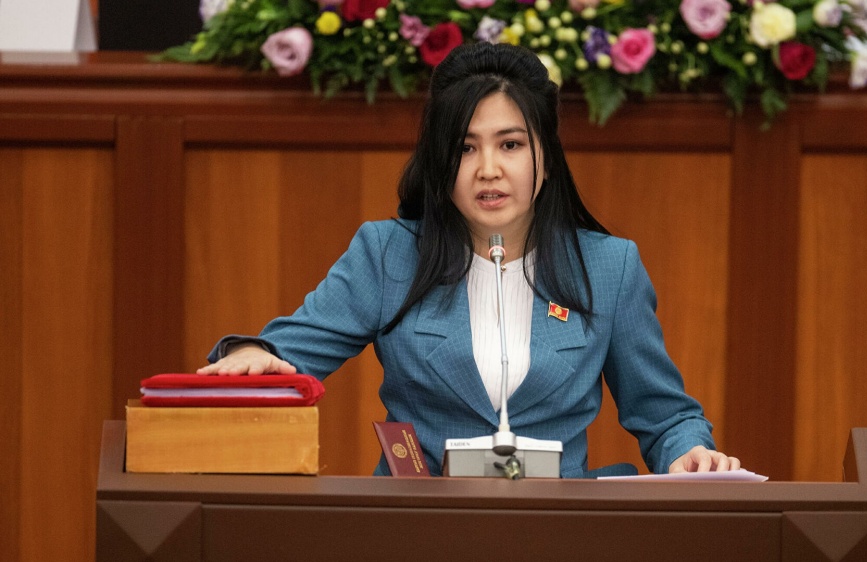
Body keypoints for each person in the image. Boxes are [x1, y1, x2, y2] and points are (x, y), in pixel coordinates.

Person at [198, 41, 740, 478]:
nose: (488, 169)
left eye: (510, 145)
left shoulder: (609, 268)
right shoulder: (388, 254)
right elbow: (287, 355)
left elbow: (665, 415)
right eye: (465, 148)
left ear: (546, 157)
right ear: (440, 162)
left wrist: (689, 451)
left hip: (559, 529)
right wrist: (252, 352)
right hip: (421, 528)